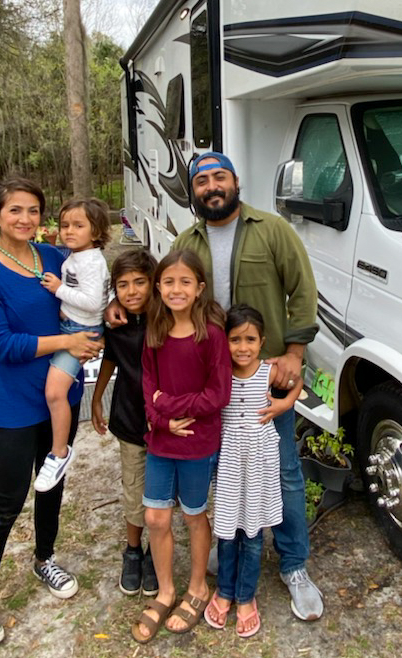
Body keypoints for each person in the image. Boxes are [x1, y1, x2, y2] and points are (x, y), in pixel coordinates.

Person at [108, 150, 323, 620]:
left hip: (260, 376)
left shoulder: (272, 230)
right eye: (201, 180)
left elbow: (303, 290)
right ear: (194, 192)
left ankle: (294, 565)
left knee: (281, 469)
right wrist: (117, 310)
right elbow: (165, 296)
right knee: (221, 478)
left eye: (219, 176)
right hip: (207, 380)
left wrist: (293, 353)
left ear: (236, 181)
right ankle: (223, 572)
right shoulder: (187, 240)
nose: (211, 186)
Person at [0, 178, 103, 647]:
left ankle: (44, 557)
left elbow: (94, 299)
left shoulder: (58, 258)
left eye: (34, 211)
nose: (25, 219)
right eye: (15, 210)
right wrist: (68, 342)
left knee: (52, 480)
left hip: (61, 394)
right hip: (14, 401)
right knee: (8, 498)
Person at [131, 250, 231, 643]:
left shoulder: (211, 335)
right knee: (156, 518)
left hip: (196, 441)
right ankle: (167, 590)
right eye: (168, 282)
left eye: (185, 282)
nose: (176, 289)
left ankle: (196, 588)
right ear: (158, 287)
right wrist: (160, 418)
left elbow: (217, 394)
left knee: (192, 515)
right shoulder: (155, 332)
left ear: (199, 288)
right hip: (160, 439)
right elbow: (147, 390)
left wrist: (169, 405)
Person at [205, 304, 304, 637]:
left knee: (252, 529)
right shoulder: (220, 374)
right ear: (225, 341)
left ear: (262, 341)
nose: (243, 347)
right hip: (231, 458)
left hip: (261, 459)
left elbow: (299, 378)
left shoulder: (269, 371)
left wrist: (285, 404)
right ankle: (224, 591)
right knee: (228, 527)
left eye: (250, 339)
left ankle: (246, 596)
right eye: (235, 339)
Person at [89, 248, 159, 597]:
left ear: (153, 284)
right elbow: (110, 360)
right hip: (130, 420)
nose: (131, 291)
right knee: (134, 489)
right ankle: (132, 550)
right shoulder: (115, 324)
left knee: (160, 495)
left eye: (139, 283)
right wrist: (98, 396)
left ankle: (153, 553)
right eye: (123, 285)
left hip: (166, 426)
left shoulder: (168, 321)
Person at [34, 197, 111, 492]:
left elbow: (92, 303)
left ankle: (59, 453)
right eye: (65, 225)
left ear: (96, 231)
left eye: (78, 225)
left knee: (55, 393)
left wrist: (59, 289)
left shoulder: (92, 261)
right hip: (71, 327)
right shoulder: (78, 255)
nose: (68, 231)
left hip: (80, 333)